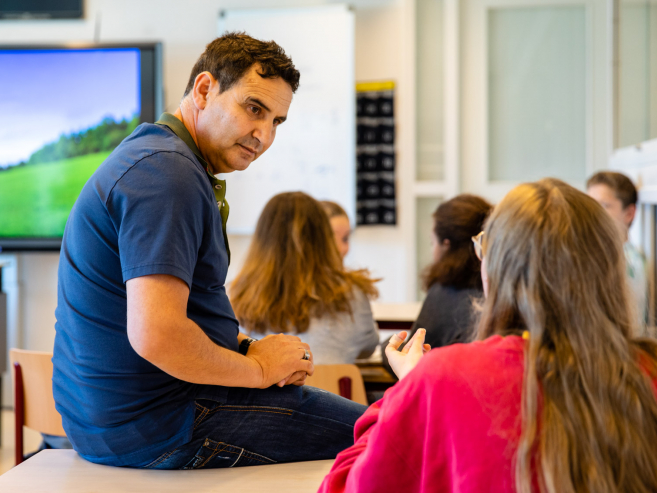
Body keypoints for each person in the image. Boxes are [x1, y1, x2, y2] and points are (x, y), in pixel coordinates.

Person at [52, 33, 366, 470]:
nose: (263, 135)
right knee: (394, 431)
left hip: (120, 422)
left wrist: (250, 350)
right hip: (163, 422)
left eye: (276, 121)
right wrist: (258, 372)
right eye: (253, 109)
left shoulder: (157, 157)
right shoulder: (168, 174)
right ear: (204, 90)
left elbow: (177, 317)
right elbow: (157, 335)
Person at [319, 178, 657, 493]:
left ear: (497, 268)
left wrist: (409, 387)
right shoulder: (647, 371)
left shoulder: (444, 376)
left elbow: (348, 484)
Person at [230, 192, 379, 365]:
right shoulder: (353, 293)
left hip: (268, 390)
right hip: (332, 391)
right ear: (324, 238)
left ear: (261, 239)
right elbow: (368, 348)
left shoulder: (233, 295)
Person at [381, 194, 492, 375]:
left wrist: (385, 347)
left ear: (446, 244)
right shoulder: (501, 289)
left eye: (433, 243)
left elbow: (411, 357)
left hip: (444, 394)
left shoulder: (445, 293)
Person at [587, 171, 648, 331]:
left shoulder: (628, 262)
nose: (593, 213)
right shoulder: (597, 254)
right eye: (590, 205)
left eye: (604, 205)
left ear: (629, 213)